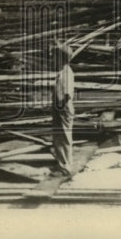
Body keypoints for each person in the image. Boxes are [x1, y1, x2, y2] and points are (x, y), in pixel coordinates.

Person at [51, 41, 75, 176]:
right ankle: (61, 164)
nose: (52, 60)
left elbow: (67, 94)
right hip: (59, 107)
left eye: (54, 56)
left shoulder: (67, 72)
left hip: (63, 108)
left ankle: (66, 167)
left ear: (61, 58)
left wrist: (60, 105)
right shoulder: (62, 72)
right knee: (58, 137)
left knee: (64, 137)